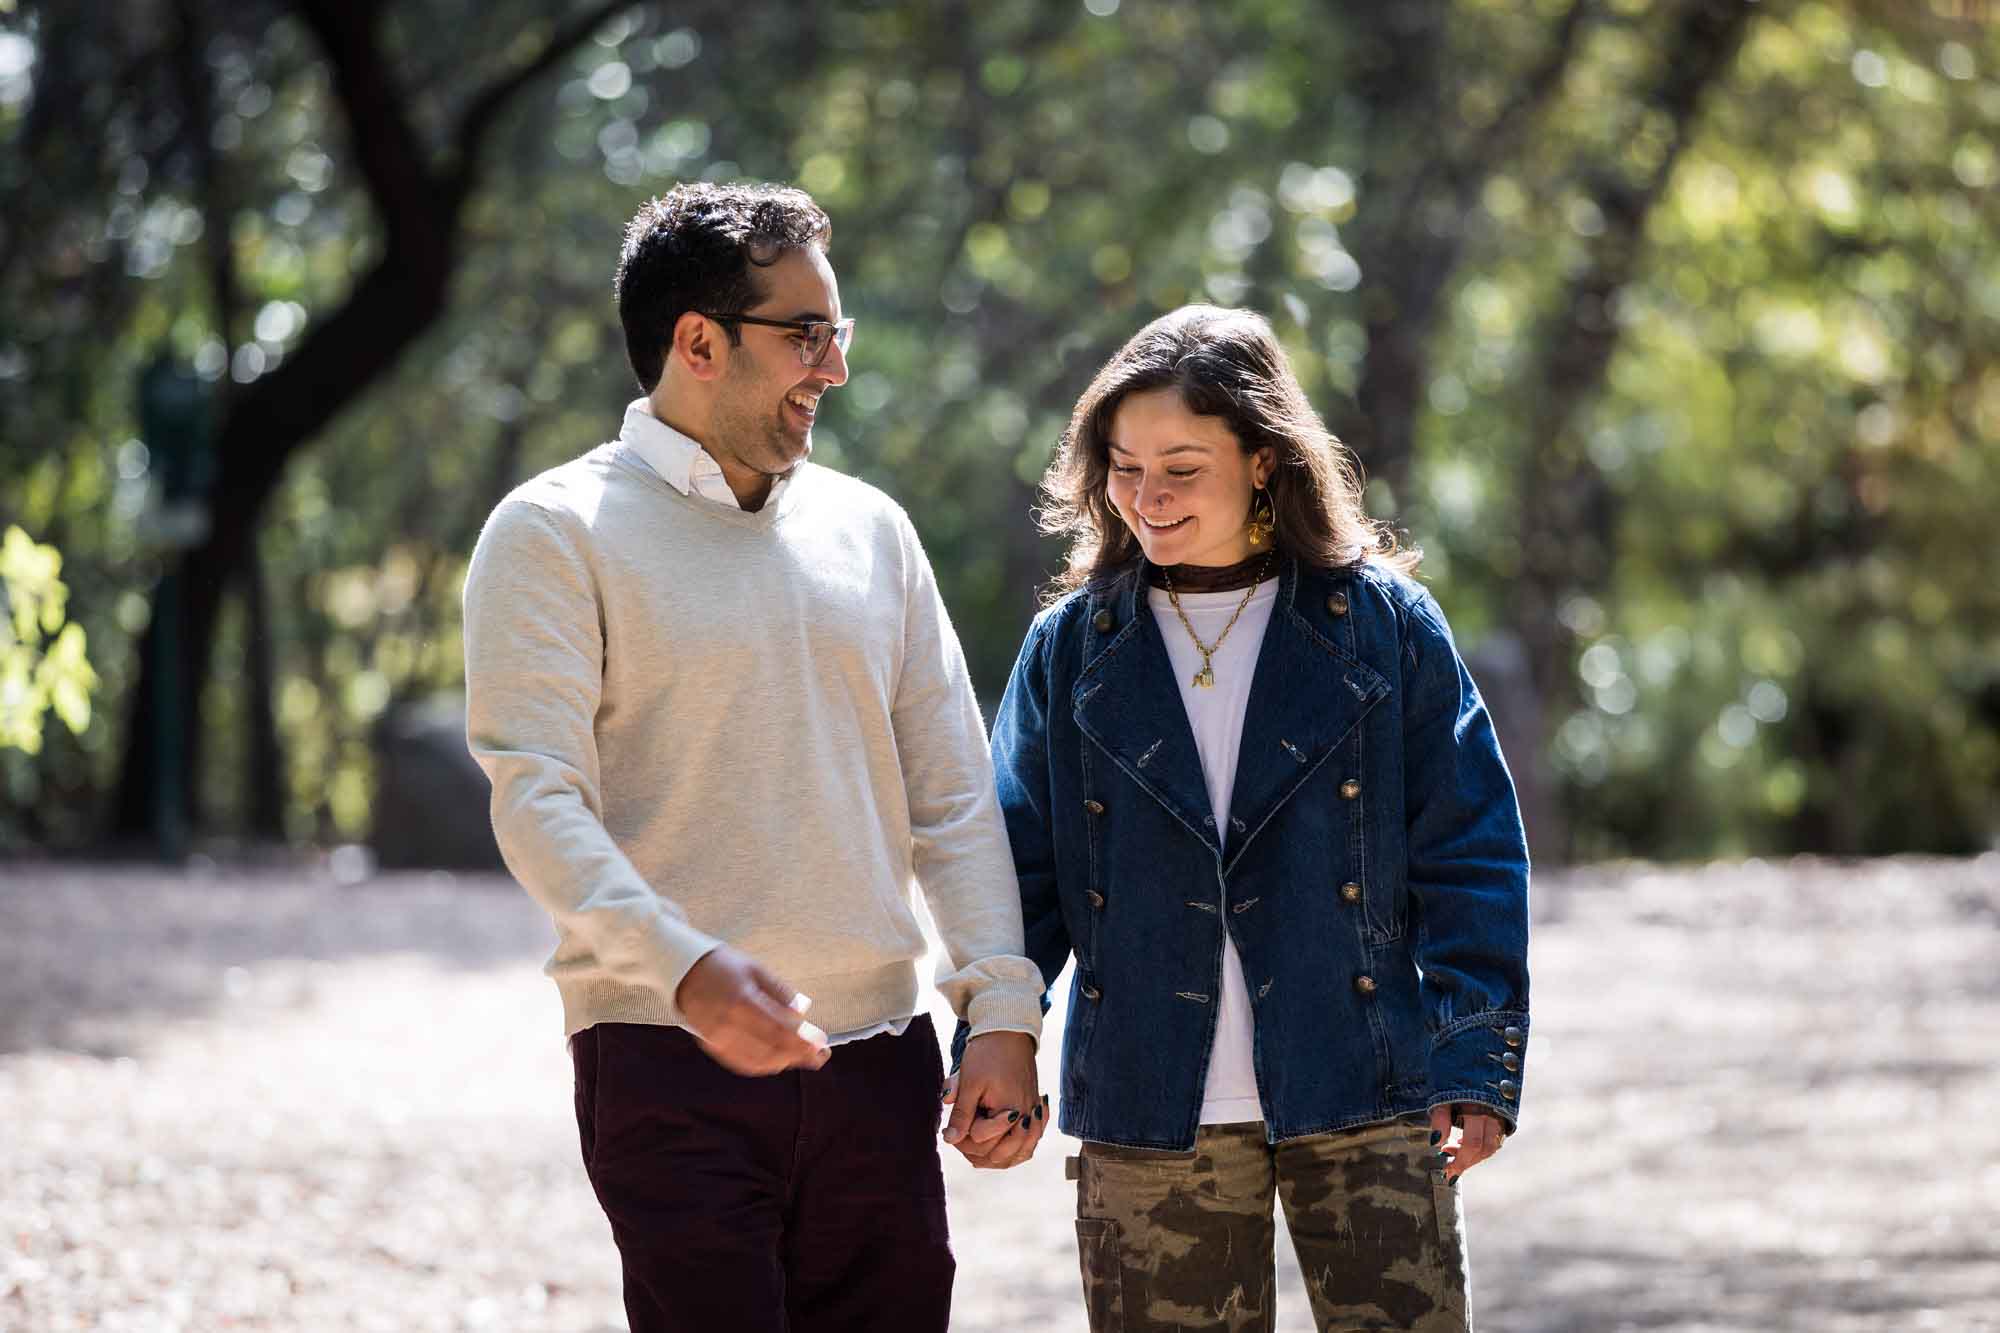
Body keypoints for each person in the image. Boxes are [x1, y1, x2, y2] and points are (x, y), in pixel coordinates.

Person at [461, 181, 1046, 1333]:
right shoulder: (550, 532)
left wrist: (1003, 1011)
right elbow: (536, 798)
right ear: (698, 343)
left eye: (839, 332)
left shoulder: (871, 528)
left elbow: (953, 794)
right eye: (804, 334)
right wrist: (683, 966)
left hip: (880, 1066)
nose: (832, 367)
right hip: (661, 1060)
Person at [983, 305, 1531, 1331]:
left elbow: (1468, 847)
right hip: (1147, 1107)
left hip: (1364, 1084)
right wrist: (997, 1031)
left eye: (1180, 467)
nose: (1145, 497)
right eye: (1122, 465)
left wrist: (1475, 1057)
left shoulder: (1383, 625)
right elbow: (1014, 870)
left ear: (1265, 459)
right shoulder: (1069, 650)